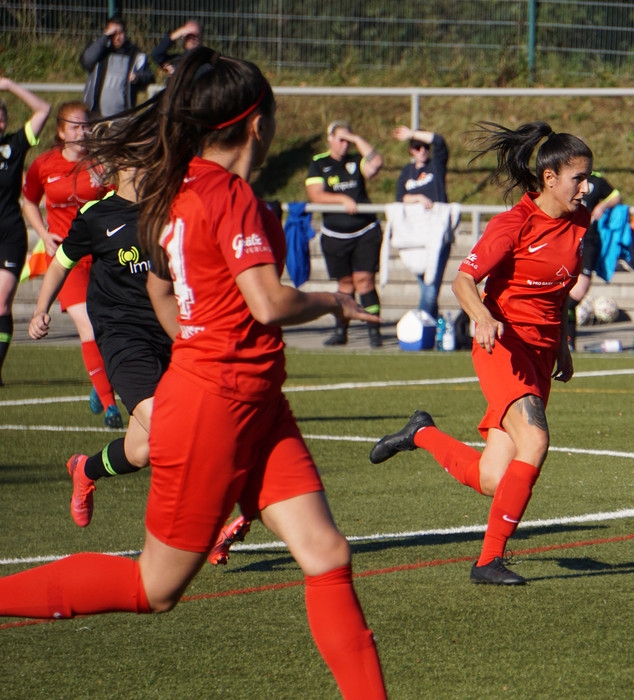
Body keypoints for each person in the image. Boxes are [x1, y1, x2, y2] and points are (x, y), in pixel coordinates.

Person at [0, 48, 387, 698]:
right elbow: (268, 302)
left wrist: (194, 340)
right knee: (153, 586)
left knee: (326, 553)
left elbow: (160, 285)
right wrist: (333, 301)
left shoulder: (181, 187)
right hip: (217, 404)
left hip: (255, 399)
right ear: (258, 125)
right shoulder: (226, 193)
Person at [369, 121, 592, 586]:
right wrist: (483, 317)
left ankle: (420, 433)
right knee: (535, 441)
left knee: (493, 478)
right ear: (550, 177)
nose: (586, 188)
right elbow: (463, 281)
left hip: (541, 354)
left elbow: (558, 292)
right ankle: (488, 561)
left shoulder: (579, 220)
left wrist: (563, 344)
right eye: (579, 179)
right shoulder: (513, 223)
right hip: (502, 346)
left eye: (588, 178)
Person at [26, 162, 249, 564]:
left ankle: (85, 469)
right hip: (123, 339)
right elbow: (61, 262)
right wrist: (41, 309)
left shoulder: (171, 206)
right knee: (172, 430)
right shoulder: (97, 215)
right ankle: (210, 528)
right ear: (122, 164)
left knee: (141, 450)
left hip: (172, 334)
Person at [21, 101, 122, 427]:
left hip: (103, 257)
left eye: (87, 126)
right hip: (66, 261)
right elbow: (29, 201)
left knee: (112, 327)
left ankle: (99, 378)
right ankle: (111, 407)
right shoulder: (44, 165)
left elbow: (119, 202)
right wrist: (43, 233)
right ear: (62, 132)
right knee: (87, 325)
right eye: (76, 126)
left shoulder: (100, 164)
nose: (84, 132)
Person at [306, 121, 385, 347]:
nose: (344, 145)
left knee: (365, 281)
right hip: (335, 235)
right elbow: (316, 195)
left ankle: (374, 330)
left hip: (365, 231)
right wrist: (342, 199)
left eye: (348, 140)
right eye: (341, 139)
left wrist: (357, 139)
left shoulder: (356, 160)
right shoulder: (319, 163)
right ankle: (341, 331)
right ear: (330, 139)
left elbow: (376, 163)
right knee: (345, 285)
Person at [0, 79, 50, 386]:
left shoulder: (13, 147)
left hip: (9, 236)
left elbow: (43, 109)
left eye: (2, 117)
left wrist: (9, 85)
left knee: (1, 304)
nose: (0, 123)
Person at [392, 124, 451, 318]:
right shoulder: (407, 171)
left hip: (437, 234)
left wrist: (412, 134)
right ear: (411, 151)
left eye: (425, 147)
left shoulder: (436, 166)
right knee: (428, 288)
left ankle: (421, 324)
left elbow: (439, 141)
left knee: (430, 287)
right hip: (415, 236)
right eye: (417, 147)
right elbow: (400, 197)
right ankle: (433, 325)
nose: (422, 151)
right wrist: (417, 198)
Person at [565, 171, 621, 349]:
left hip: (588, 241)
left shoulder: (596, 180)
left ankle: (566, 337)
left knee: (577, 293)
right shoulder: (564, 177)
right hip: (565, 240)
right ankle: (568, 341)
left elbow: (616, 195)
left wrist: (603, 205)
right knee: (562, 294)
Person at [80, 14, 154, 118]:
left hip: (122, 117)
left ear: (125, 33)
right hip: (96, 114)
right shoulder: (99, 51)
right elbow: (86, 60)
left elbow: (149, 77)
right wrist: (105, 38)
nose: (117, 37)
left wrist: (137, 77)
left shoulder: (136, 54)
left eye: (120, 33)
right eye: (113, 34)